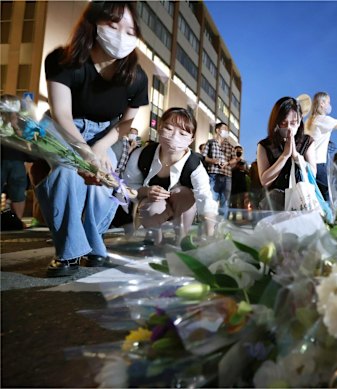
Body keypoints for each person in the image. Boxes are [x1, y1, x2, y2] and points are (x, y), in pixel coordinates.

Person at [37, 2, 149, 277]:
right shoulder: (63, 61)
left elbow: (126, 123)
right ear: (93, 23)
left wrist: (99, 148)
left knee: (104, 179)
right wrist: (85, 155)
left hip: (106, 134)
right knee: (66, 173)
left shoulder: (136, 77)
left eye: (130, 29)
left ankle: (93, 241)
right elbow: (62, 114)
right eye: (113, 25)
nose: (121, 34)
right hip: (62, 129)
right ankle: (69, 252)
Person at [123, 108, 217, 244]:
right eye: (168, 129)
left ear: (191, 139)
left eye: (183, 133)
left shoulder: (194, 165)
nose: (174, 137)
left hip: (182, 207)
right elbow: (127, 186)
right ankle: (154, 237)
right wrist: (147, 191)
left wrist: (211, 238)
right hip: (153, 205)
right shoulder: (142, 154)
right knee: (151, 208)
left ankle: (181, 240)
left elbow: (205, 198)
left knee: (184, 193)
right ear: (159, 128)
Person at [256, 97, 316, 211]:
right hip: (274, 205)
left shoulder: (307, 142)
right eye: (284, 123)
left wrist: (295, 155)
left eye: (293, 123)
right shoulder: (264, 145)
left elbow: (313, 174)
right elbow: (265, 181)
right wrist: (284, 155)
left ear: (299, 122)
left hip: (302, 201)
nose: (289, 128)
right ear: (276, 123)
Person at [0, 95, 28, 229]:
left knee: (18, 189)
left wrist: (15, 125)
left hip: (16, 158)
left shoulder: (21, 121)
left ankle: (18, 221)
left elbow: (27, 142)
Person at [202, 122, 236, 218]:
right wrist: (213, 161)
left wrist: (227, 163)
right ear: (218, 130)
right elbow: (203, 156)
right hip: (213, 173)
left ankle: (222, 227)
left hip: (227, 175)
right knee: (212, 199)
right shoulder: (210, 142)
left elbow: (234, 159)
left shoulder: (230, 146)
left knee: (225, 201)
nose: (226, 131)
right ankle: (210, 226)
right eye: (224, 128)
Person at [230, 145, 249, 210]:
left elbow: (248, 172)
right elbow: (228, 170)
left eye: (240, 151)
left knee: (242, 201)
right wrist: (236, 167)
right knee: (233, 201)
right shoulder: (231, 161)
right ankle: (233, 216)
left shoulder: (244, 162)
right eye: (237, 151)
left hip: (242, 183)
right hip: (233, 183)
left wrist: (244, 169)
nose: (239, 152)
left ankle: (243, 216)